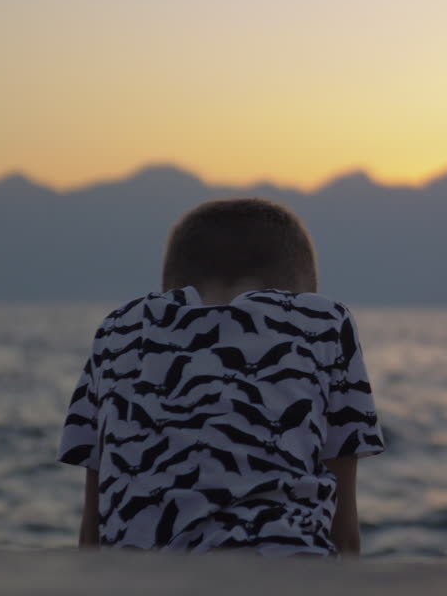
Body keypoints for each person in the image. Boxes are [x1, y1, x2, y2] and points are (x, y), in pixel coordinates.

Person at [57, 198, 385, 556]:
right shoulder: (323, 321)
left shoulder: (119, 329)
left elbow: (92, 531)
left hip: (139, 578)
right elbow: (345, 532)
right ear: (299, 296)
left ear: (174, 289)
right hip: (284, 572)